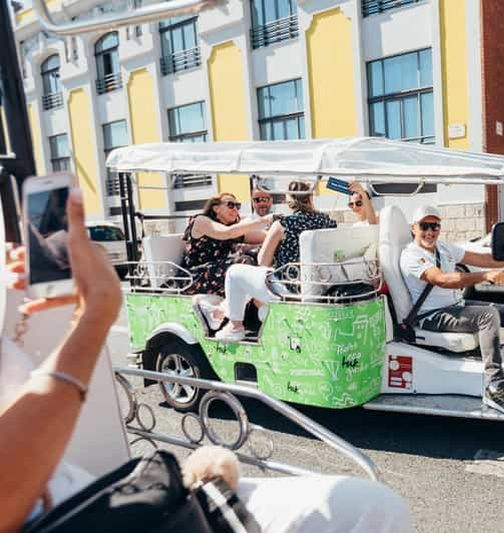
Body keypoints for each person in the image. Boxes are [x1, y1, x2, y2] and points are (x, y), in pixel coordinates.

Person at [0, 188, 411, 532]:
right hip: (204, 275)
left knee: (371, 506)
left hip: (87, 489)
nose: (237, 208)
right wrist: (98, 313)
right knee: (365, 510)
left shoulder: (239, 228)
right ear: (214, 207)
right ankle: (231, 321)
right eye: (231, 203)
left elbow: (251, 239)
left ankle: (239, 319)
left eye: (239, 203)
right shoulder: (202, 224)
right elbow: (231, 231)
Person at [399, 205, 504, 416]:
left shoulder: (443, 248)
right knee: (488, 316)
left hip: (454, 307)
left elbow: (483, 259)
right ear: (414, 228)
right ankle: (495, 386)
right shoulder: (411, 256)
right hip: (431, 316)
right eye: (424, 226)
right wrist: (485, 276)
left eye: (435, 226)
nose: (430, 232)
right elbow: (441, 279)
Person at [212, 181, 337, 342]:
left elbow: (262, 260)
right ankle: (243, 312)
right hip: (320, 285)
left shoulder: (283, 224)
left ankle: (235, 327)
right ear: (310, 197)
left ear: (288, 200)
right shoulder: (327, 221)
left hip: (288, 287)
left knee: (235, 272)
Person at [182, 192, 275, 296]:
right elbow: (226, 233)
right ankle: (258, 297)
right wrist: (264, 220)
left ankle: (275, 290)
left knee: (259, 252)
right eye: (230, 205)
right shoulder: (201, 220)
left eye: (237, 206)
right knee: (242, 263)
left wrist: (280, 229)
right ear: (216, 208)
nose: (235, 209)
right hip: (194, 278)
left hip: (217, 272)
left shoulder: (231, 229)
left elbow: (266, 236)